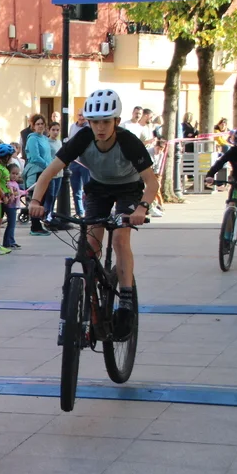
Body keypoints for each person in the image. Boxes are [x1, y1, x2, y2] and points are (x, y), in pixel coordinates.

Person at [29, 88, 159, 334]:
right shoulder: (83, 138)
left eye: (106, 122)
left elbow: (152, 182)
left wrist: (142, 208)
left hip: (129, 189)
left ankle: (126, 300)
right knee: (90, 244)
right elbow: (49, 171)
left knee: (120, 238)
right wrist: (36, 202)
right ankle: (91, 293)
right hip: (98, 189)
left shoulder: (129, 141)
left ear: (116, 121)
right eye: (95, 122)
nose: (100, 127)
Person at [23, 114, 52, 235]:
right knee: (36, 198)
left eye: (42, 124)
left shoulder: (44, 138)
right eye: (37, 124)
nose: (40, 126)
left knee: (44, 198)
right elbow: (35, 157)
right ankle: (35, 226)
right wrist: (48, 166)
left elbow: (48, 155)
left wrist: (51, 167)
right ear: (33, 126)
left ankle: (39, 224)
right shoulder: (32, 139)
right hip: (35, 172)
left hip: (45, 171)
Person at [44, 121, 64, 222]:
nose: (55, 132)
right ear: (49, 130)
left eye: (57, 130)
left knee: (55, 195)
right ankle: (47, 216)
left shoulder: (59, 142)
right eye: (53, 130)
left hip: (59, 173)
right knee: (50, 196)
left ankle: (50, 215)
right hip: (51, 173)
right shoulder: (46, 142)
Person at [3, 163, 23, 249]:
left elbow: (17, 192)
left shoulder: (15, 183)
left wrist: (23, 192)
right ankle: (8, 242)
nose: (15, 175)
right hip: (10, 206)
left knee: (12, 224)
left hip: (14, 206)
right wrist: (16, 194)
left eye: (17, 174)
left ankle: (11, 241)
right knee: (11, 224)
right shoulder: (9, 184)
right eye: (13, 173)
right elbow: (12, 193)